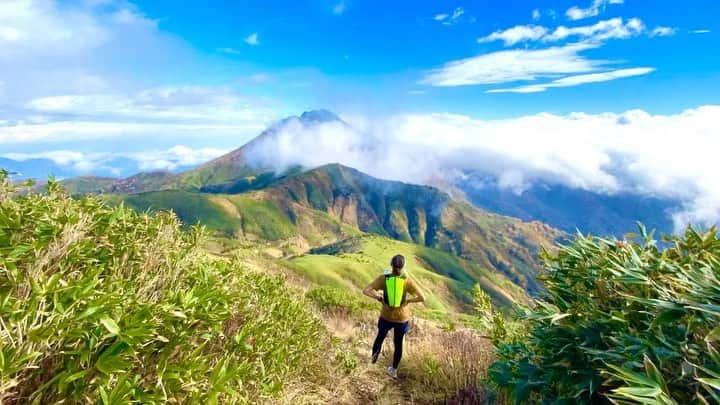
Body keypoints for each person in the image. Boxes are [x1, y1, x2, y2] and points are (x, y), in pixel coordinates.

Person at [362, 254, 425, 378]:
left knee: (379, 338)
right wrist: (408, 301)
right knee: (398, 344)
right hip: (402, 319)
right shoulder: (407, 280)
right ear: (404, 266)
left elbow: (366, 291)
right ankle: (393, 370)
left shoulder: (384, 278)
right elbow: (422, 297)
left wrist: (378, 298)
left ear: (391, 265)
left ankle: (373, 363)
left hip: (386, 316)